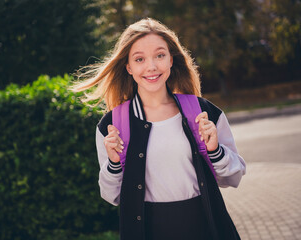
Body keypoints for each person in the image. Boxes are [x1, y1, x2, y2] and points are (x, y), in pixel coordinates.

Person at [73, 18, 246, 240]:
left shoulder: (204, 113)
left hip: (205, 228)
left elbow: (233, 178)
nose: (151, 66)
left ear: (171, 59)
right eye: (139, 59)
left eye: (160, 55)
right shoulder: (111, 126)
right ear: (128, 67)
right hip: (149, 231)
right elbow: (111, 195)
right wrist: (114, 164)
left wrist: (215, 151)